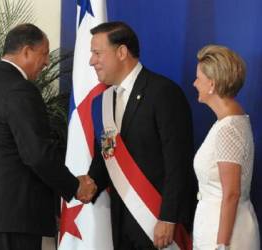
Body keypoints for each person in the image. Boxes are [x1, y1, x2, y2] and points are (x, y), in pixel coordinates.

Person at [0, 23, 96, 250]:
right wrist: (75, 186)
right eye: (44, 54)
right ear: (26, 51)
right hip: (13, 214)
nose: (46, 62)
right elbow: (37, 154)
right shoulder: (20, 89)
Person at [88, 21, 195, 250]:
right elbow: (106, 157)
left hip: (156, 221)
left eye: (97, 53)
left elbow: (178, 163)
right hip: (119, 223)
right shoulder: (101, 103)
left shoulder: (164, 93)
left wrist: (168, 218)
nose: (91, 61)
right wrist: (81, 186)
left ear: (122, 52)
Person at [193, 45, 260, 250]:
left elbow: (231, 193)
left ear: (212, 84)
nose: (194, 83)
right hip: (220, 225)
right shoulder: (230, 121)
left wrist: (221, 245)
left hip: (224, 235)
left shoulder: (228, 128)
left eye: (198, 78)